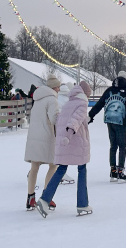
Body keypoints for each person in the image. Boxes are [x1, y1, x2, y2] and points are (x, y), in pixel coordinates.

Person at [37, 80, 94, 218]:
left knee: (61, 169)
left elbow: (64, 120)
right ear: (85, 94)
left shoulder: (70, 103)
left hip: (64, 143)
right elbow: (74, 120)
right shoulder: (82, 103)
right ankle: (82, 204)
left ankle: (45, 200)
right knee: (82, 170)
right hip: (76, 142)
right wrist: (68, 136)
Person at [88, 71, 126, 182]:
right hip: (121, 121)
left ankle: (113, 172)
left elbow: (99, 104)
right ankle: (120, 171)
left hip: (109, 121)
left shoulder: (109, 90)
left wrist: (90, 115)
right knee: (122, 146)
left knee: (113, 146)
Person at [24, 75, 61, 211]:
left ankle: (30, 197)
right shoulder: (52, 99)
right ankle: (47, 196)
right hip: (47, 137)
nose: (59, 89)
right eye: (58, 86)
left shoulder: (38, 99)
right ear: (53, 87)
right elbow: (54, 118)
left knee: (35, 166)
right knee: (53, 165)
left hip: (34, 136)